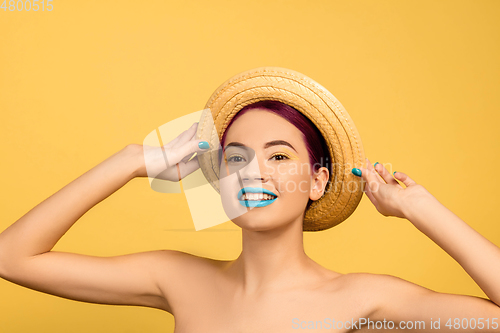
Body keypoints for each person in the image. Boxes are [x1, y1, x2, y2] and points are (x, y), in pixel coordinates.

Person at [1, 68, 500, 332]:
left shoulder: (362, 300)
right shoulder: (178, 279)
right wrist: (132, 160)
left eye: (280, 157)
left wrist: (419, 208)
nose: (253, 171)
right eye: (236, 158)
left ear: (317, 181)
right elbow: (12, 258)